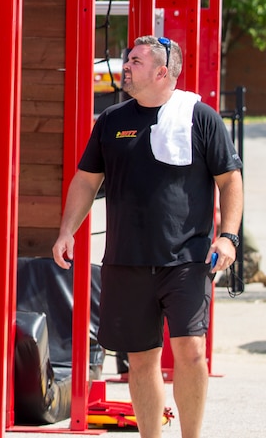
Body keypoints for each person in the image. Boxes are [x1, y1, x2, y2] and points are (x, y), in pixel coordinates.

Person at [52, 36, 244, 438]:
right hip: (126, 259)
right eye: (127, 60)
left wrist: (228, 237)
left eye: (135, 62)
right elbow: (87, 181)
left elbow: (230, 180)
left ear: (162, 72)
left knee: (190, 352)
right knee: (141, 360)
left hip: (187, 260)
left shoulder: (200, 117)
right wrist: (67, 230)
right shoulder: (111, 120)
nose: (125, 67)